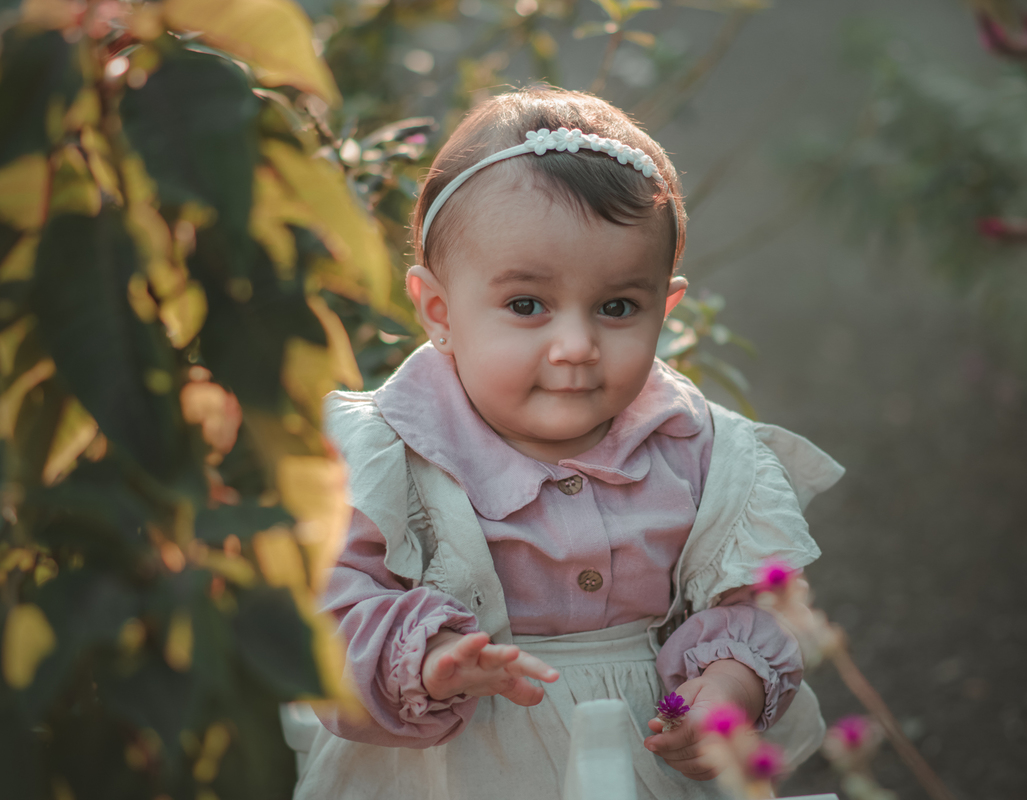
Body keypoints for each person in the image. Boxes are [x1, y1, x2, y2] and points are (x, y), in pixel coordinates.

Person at [290, 86, 844, 800]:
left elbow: (746, 608)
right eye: (527, 306)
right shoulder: (390, 457)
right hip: (446, 774)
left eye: (618, 307)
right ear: (440, 310)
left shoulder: (699, 450)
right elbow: (325, 616)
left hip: (642, 761)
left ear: (663, 306)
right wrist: (424, 659)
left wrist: (727, 686)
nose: (577, 346)